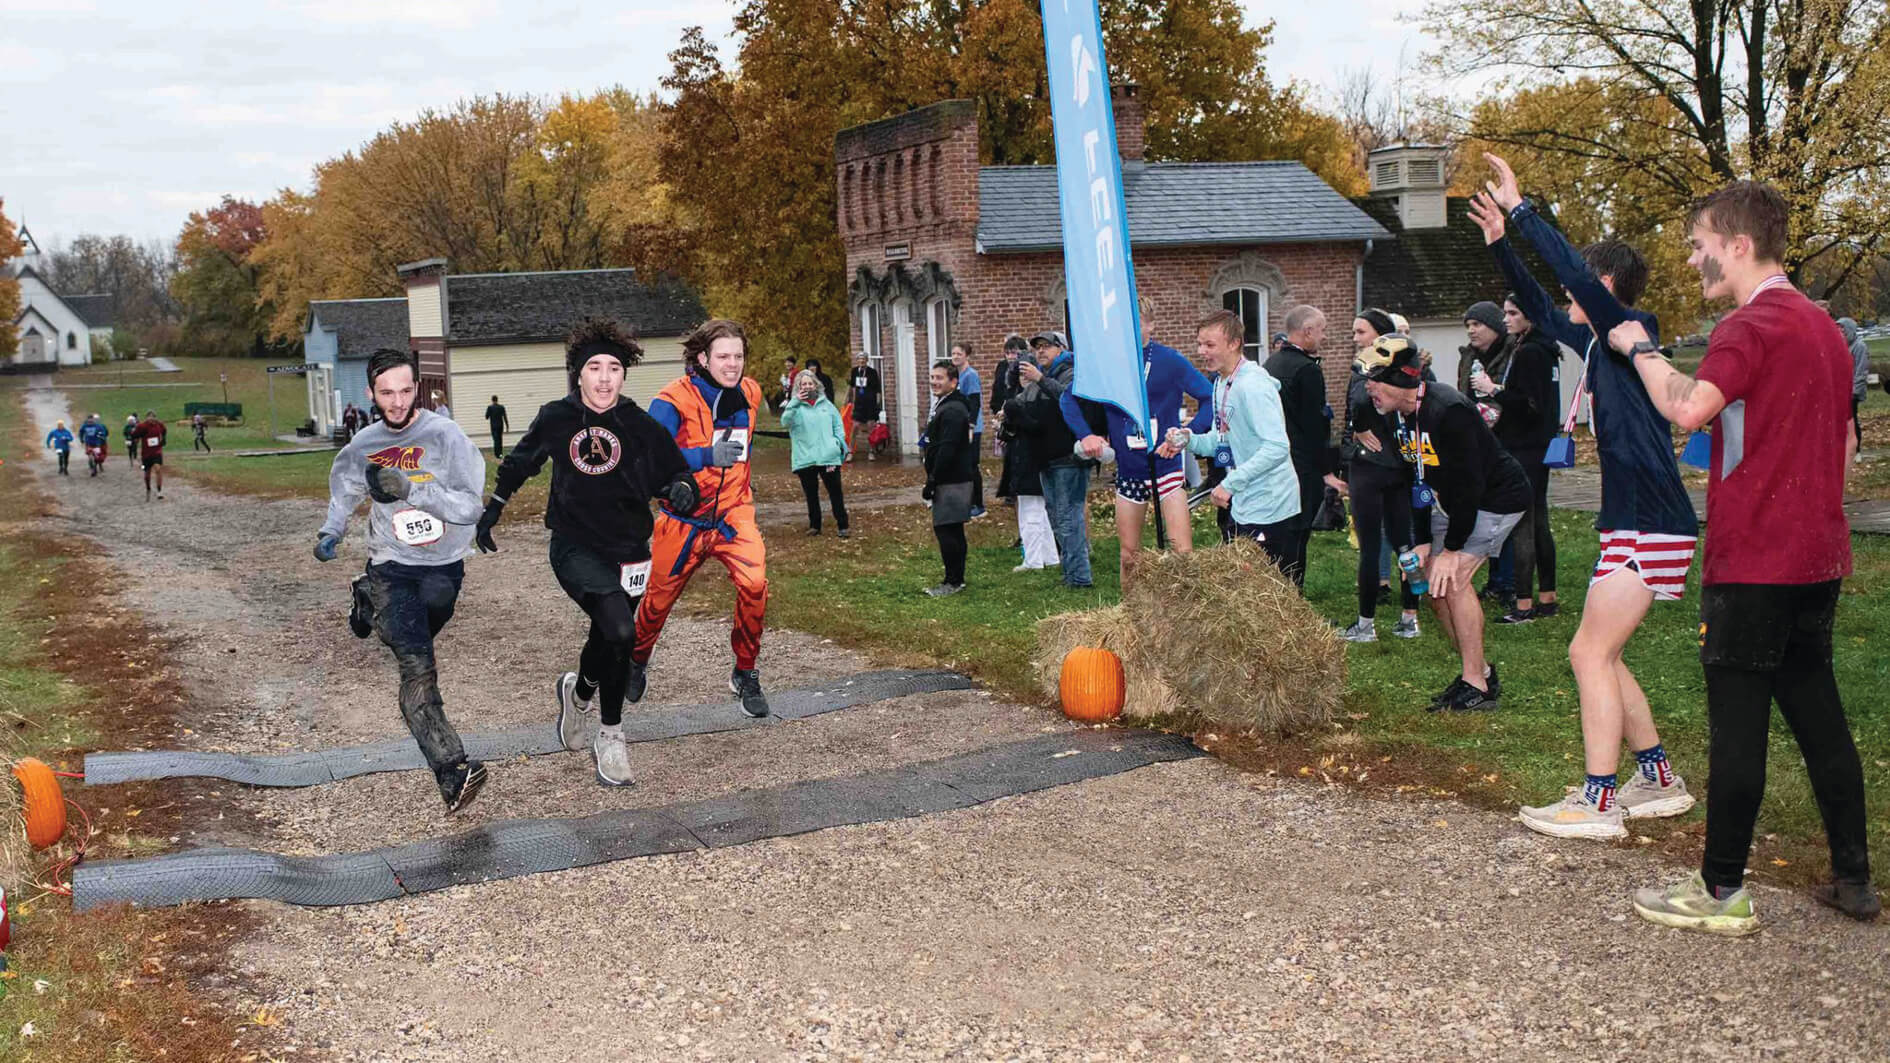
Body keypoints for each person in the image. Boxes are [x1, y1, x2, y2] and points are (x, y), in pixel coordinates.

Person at [1614, 181, 1878, 934]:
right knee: (1820, 717)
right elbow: (1849, 442)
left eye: (1701, 241)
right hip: (1818, 557)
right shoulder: (1826, 329)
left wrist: (1642, 352)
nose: (1694, 255)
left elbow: (1689, 405)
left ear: (1737, 243)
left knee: (1739, 727)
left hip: (1755, 559)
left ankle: (1721, 889)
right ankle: (1853, 879)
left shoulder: (1749, 324)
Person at [1471, 152, 1700, 840]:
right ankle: (1656, 777)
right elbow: (1540, 307)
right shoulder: (1600, 343)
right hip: (1634, 522)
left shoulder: (1635, 336)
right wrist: (1502, 248)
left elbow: (1567, 277)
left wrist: (1523, 212)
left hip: (1653, 521)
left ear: (1603, 287)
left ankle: (1599, 802)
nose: (1569, 299)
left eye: (1583, 289)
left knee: (1588, 654)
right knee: (1602, 651)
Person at [476, 321, 698, 787]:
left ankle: (577, 694)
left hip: (631, 552)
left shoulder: (639, 424)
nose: (603, 377)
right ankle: (611, 736)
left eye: (613, 368)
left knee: (610, 635)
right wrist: (493, 509)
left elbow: (676, 476)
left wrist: (680, 490)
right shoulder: (558, 417)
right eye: (594, 367)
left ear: (623, 375)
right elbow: (521, 461)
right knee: (620, 629)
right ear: (578, 374)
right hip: (576, 546)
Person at [315, 348, 490, 812]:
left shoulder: (446, 436)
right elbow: (346, 488)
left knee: (429, 613)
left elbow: (472, 506)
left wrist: (413, 489)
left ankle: (367, 605)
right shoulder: (363, 443)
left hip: (442, 567)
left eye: (406, 390)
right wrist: (332, 531)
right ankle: (453, 770)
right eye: (386, 392)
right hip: (391, 564)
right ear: (371, 392)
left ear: (419, 389)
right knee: (417, 666)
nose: (397, 402)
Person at [1362, 337, 1530, 712]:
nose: (1367, 387)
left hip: (1495, 497)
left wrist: (1452, 551)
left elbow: (1471, 485)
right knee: (1433, 588)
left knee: (1453, 579)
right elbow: (1416, 479)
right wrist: (1423, 541)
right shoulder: (1400, 416)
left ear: (1399, 379)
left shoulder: (1448, 409)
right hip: (1451, 502)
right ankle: (1480, 673)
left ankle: (1478, 687)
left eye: (1374, 378)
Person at [635, 318, 773, 718]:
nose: (733, 364)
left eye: (739, 356)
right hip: (685, 520)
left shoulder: (750, 391)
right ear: (702, 358)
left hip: (733, 512)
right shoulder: (670, 401)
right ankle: (637, 660)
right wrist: (699, 461)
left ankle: (745, 671)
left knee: (755, 583)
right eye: (723, 356)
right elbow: (648, 460)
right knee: (657, 600)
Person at [1068, 299, 1212, 580]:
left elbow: (1209, 397)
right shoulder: (1108, 364)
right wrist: (1085, 435)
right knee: (1129, 556)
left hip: (1167, 468)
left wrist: (1188, 433)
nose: (1130, 329)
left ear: (1151, 324)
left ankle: (1181, 617)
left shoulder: (1169, 360)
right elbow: (1068, 400)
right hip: (1130, 472)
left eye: (1137, 321)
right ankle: (1132, 618)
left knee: (1181, 553)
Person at [1166, 310, 1301, 572]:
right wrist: (1189, 440)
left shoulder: (1253, 386)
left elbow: (1277, 447)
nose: (1201, 351)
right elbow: (1223, 439)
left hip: (1271, 505)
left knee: (1269, 595)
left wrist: (1230, 483)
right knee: (1242, 587)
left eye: (1209, 345)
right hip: (1243, 504)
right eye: (1200, 344)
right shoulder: (1221, 383)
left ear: (1234, 343)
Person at [1338, 309, 1424, 642]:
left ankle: (1365, 624)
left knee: (1371, 548)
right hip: (1401, 466)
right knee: (1406, 545)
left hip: (1370, 468)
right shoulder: (1410, 367)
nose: (1356, 339)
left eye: (1361, 332)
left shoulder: (1369, 369)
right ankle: (1410, 617)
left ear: (1381, 335)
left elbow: (1359, 400)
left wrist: (1358, 428)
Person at [1477, 295, 1562, 624]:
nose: (1506, 319)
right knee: (1540, 519)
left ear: (1531, 317)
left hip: (1524, 447)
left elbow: (1527, 405)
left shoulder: (1528, 352)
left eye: (1513, 313)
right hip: (1540, 445)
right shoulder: (1547, 350)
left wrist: (1493, 390)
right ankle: (1548, 597)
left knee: (1523, 525)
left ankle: (1524, 604)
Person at [1016, 331, 1094, 589]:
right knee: (1057, 518)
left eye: (1046, 346)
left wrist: (1039, 379)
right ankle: (1070, 573)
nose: (1040, 351)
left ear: (1061, 349)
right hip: (1046, 456)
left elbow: (1068, 400)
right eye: (1037, 347)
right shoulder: (1042, 375)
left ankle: (1080, 578)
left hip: (1068, 456)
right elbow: (1027, 402)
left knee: (1069, 517)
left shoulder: (1072, 372)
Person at [1265, 305, 1332, 588]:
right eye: (1321, 330)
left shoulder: (1270, 365)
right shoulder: (1307, 370)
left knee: (1277, 533)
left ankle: (1273, 588)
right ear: (1306, 332)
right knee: (1298, 532)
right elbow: (1315, 426)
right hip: (1301, 465)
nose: (1324, 336)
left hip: (1272, 463)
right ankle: (1292, 593)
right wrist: (1327, 469)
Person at [999, 340, 1060, 572]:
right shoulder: (1023, 397)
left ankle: (1034, 560)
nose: (1023, 379)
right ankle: (1049, 556)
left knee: (1032, 513)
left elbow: (1037, 427)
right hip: (1023, 457)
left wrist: (1015, 413)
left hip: (1034, 459)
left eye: (1027, 373)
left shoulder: (1039, 397)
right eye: (1019, 375)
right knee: (1035, 511)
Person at [923, 360, 977, 595]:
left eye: (940, 378)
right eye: (933, 377)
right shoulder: (945, 404)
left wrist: (933, 480)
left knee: (947, 529)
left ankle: (953, 581)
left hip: (952, 479)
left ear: (953, 382)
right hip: (950, 476)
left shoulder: (954, 409)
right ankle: (955, 578)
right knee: (951, 529)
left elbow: (948, 447)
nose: (934, 382)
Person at [781, 368, 851, 537]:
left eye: (810, 383)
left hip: (828, 455)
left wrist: (837, 443)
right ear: (799, 387)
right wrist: (794, 403)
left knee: (835, 492)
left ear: (816, 385)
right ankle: (815, 525)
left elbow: (838, 426)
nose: (807, 386)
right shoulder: (795, 406)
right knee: (811, 494)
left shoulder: (826, 405)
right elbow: (785, 422)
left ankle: (843, 525)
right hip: (806, 456)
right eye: (803, 384)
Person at [949, 343, 987, 518]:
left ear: (966, 356)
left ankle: (978, 505)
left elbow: (975, 402)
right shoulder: (956, 375)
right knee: (962, 465)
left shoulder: (970, 375)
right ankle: (966, 502)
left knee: (972, 465)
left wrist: (971, 425)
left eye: (959, 353)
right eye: (953, 353)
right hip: (960, 425)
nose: (955, 356)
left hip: (972, 427)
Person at [1835, 314, 1868, 460]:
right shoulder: (1839, 345)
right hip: (1840, 390)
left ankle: (1857, 451)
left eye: (1843, 329)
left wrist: (1854, 391)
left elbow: (1861, 370)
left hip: (1852, 391)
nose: (1841, 332)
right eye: (1839, 330)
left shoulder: (1859, 346)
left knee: (1852, 421)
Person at [846, 350, 882, 461]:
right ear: (857, 360)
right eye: (860, 359)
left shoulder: (872, 372)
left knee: (870, 427)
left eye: (864, 359)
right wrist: (848, 399)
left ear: (867, 360)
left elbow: (878, 390)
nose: (861, 361)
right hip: (859, 404)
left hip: (870, 404)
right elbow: (852, 387)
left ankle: (871, 451)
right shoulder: (854, 371)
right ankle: (850, 451)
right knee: (855, 427)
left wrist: (878, 403)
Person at [132, 409, 167, 500]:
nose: (152, 419)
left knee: (158, 469)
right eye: (150, 417)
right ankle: (148, 488)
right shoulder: (142, 426)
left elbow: (164, 431)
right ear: (147, 418)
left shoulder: (159, 425)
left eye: (153, 417)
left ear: (155, 418)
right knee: (147, 474)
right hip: (146, 454)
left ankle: (159, 491)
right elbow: (135, 435)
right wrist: (135, 438)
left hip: (157, 452)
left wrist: (163, 439)